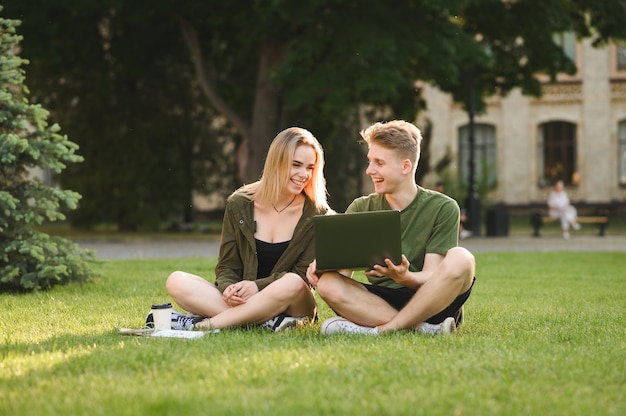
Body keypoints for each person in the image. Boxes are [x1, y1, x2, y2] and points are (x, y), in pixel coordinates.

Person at [306, 120, 476, 336]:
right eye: (370, 161)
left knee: (462, 257)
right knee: (329, 283)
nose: (369, 170)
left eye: (379, 162)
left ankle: (385, 330)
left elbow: (432, 275)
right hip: (379, 301)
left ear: (405, 166)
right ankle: (422, 330)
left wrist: (405, 278)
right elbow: (343, 274)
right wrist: (323, 267)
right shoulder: (361, 207)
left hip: (433, 301)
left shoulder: (443, 207)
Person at [158, 127, 331, 332]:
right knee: (177, 281)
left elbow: (303, 276)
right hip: (242, 301)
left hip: (292, 305)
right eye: (296, 165)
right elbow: (226, 266)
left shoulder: (317, 213)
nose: (304, 175)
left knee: (292, 282)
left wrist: (256, 287)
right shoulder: (239, 204)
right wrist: (229, 289)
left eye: (310, 168)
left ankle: (204, 325)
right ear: (277, 162)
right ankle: (266, 323)